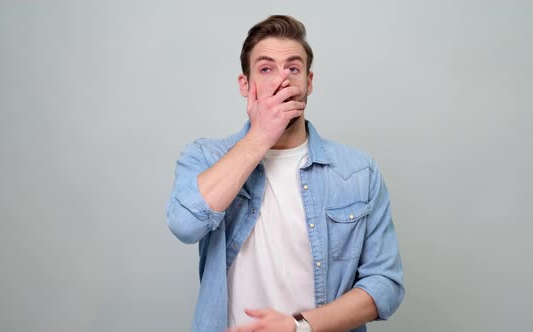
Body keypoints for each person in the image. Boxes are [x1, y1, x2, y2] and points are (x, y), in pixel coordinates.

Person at [167, 15, 404, 332]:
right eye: (266, 69)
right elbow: (184, 224)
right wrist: (261, 136)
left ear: (309, 81)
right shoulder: (205, 157)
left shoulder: (359, 171)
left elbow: (385, 285)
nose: (282, 80)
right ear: (245, 85)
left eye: (293, 68)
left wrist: (300, 327)